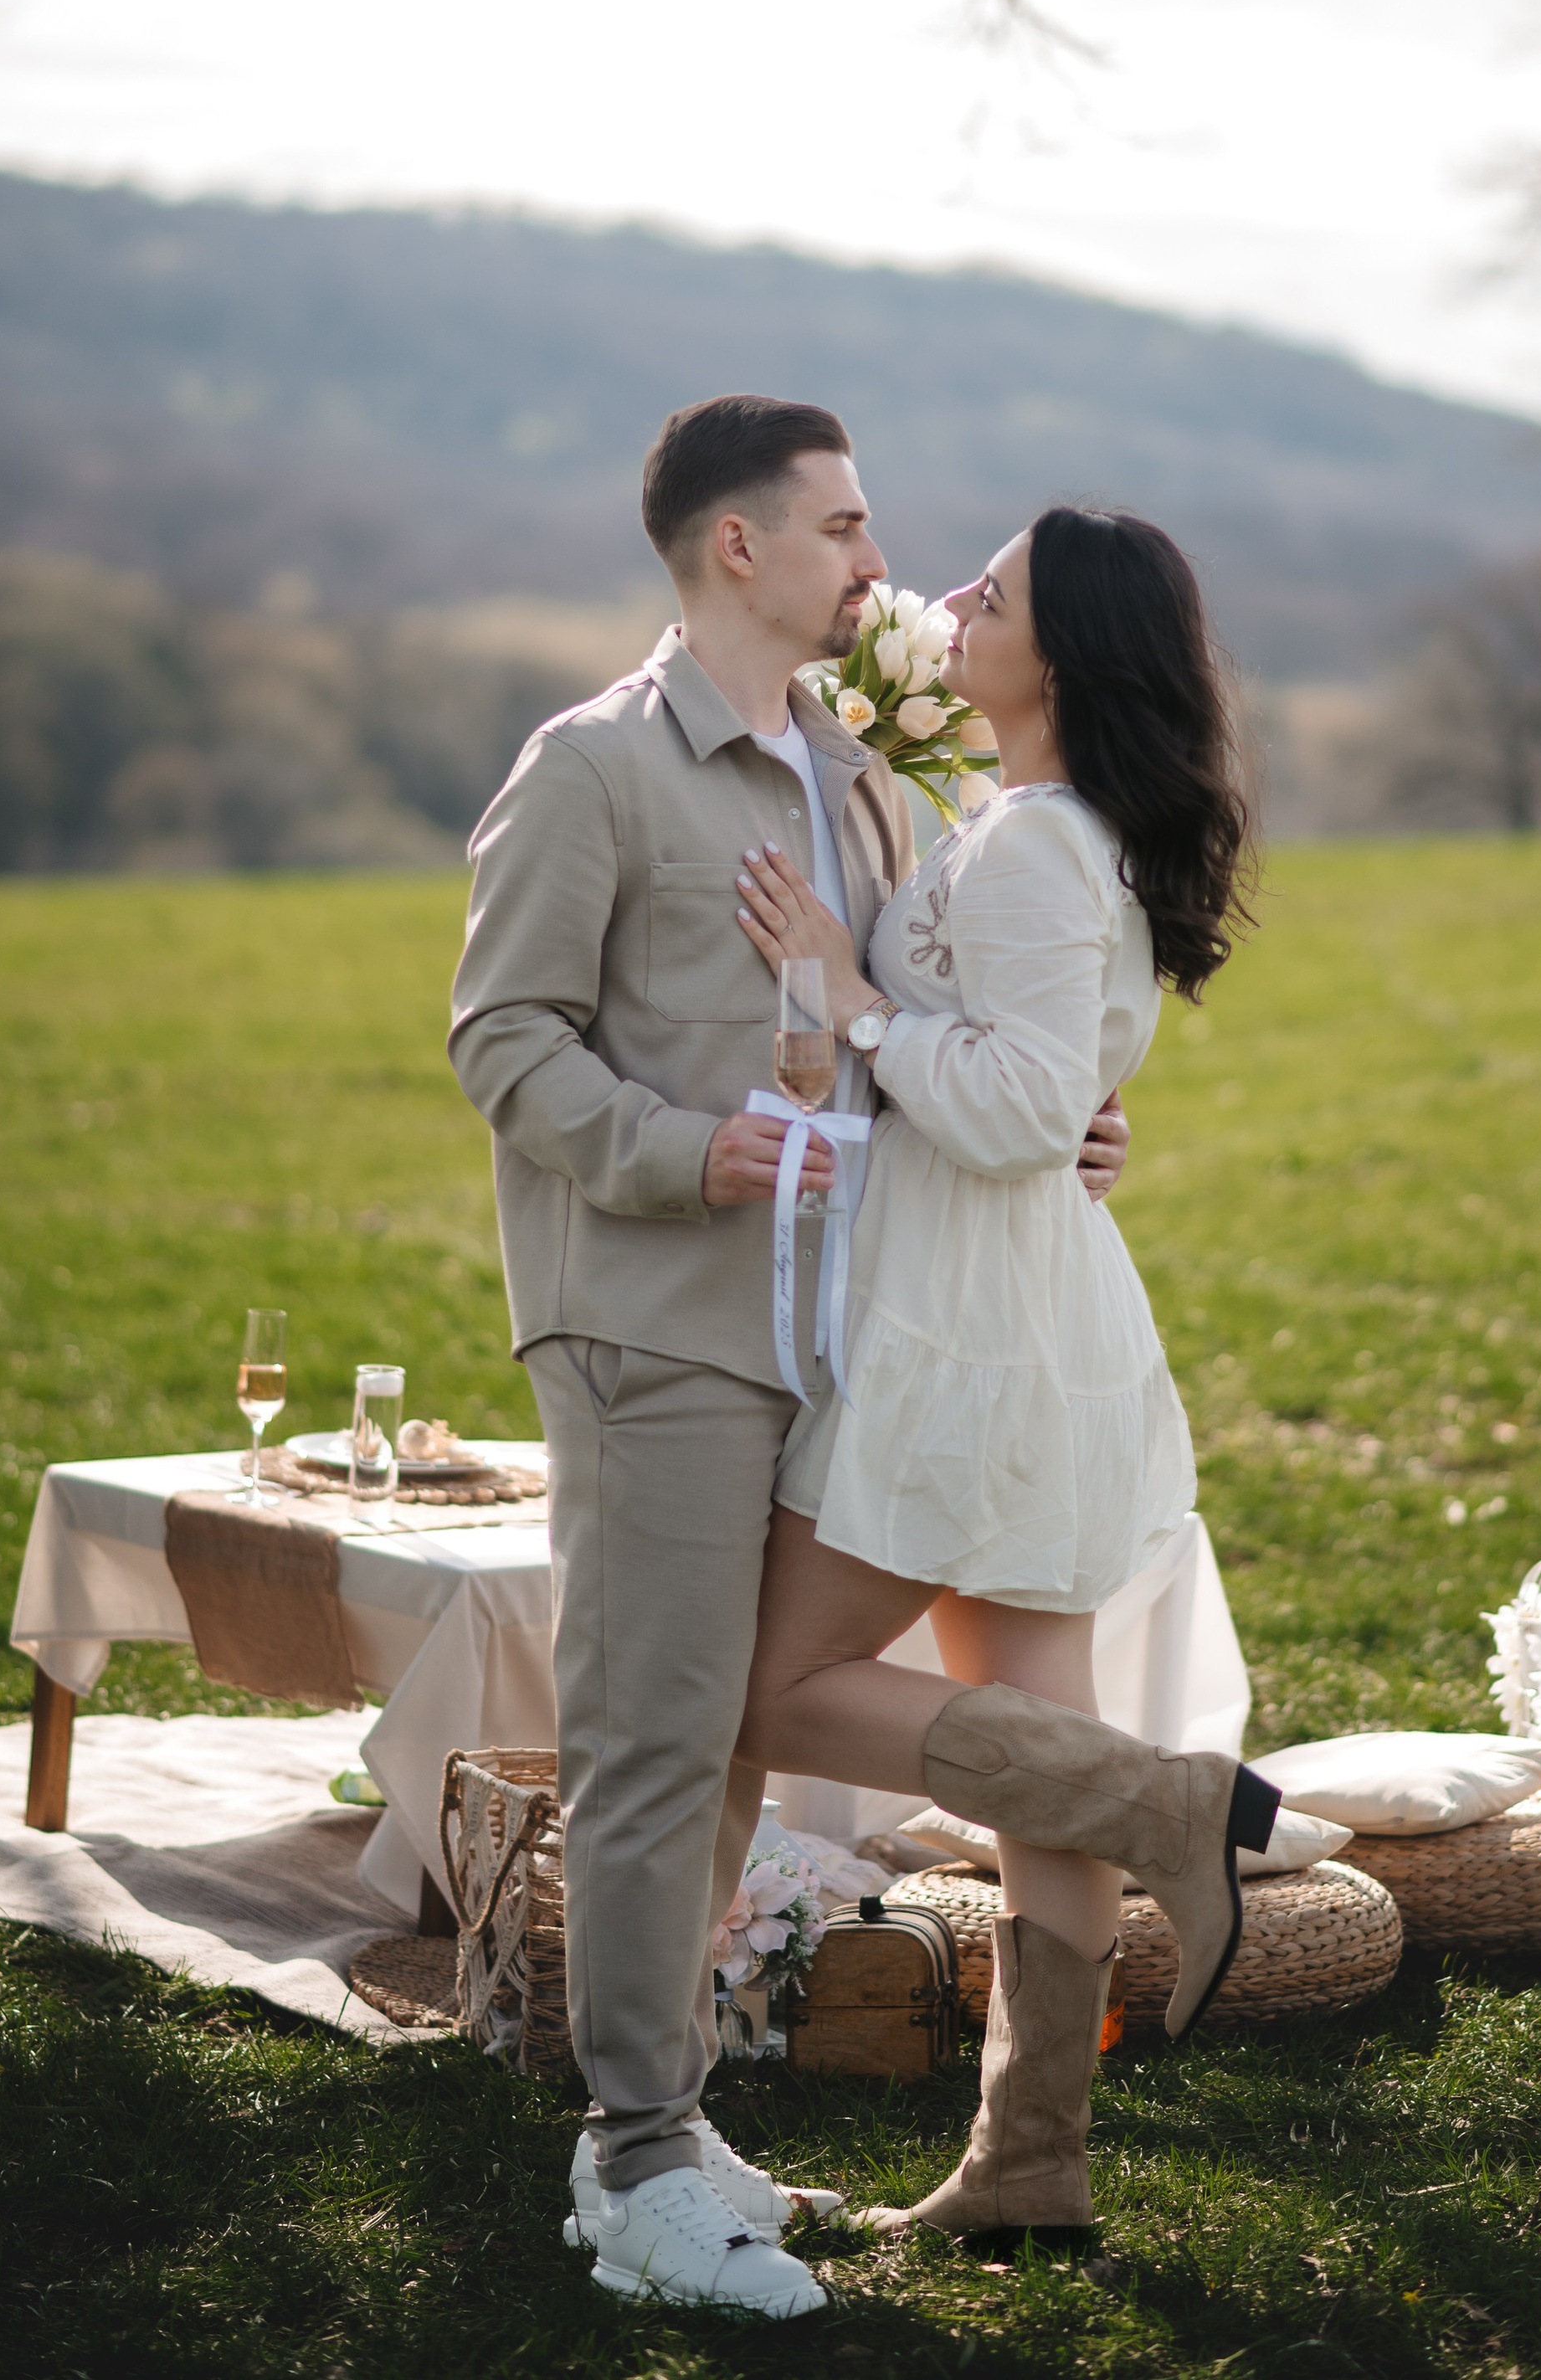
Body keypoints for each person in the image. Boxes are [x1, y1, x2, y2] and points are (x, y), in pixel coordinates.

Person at [447, 396, 1135, 2319]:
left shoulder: (855, 775)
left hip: (838, 1332)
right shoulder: (589, 766)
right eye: (841, 526)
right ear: (734, 545)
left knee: (727, 1732)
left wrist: (1058, 1124)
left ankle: (660, 2129)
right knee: (652, 1737)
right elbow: (501, 1037)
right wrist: (688, 1151)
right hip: (650, 1327)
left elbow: (908, 1032)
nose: (876, 562)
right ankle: (636, 2167)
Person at [731, 504, 1269, 2243]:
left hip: (966, 1328)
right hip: (1020, 1305)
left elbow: (1024, 1107)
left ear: (1070, 652)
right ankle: (1028, 2165)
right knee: (1038, 1750)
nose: (953, 596)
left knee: (765, 1689)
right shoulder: (1032, 819)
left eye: (999, 591)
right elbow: (1058, 1086)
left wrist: (850, 996)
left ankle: (1173, 1804)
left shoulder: (1037, 841)